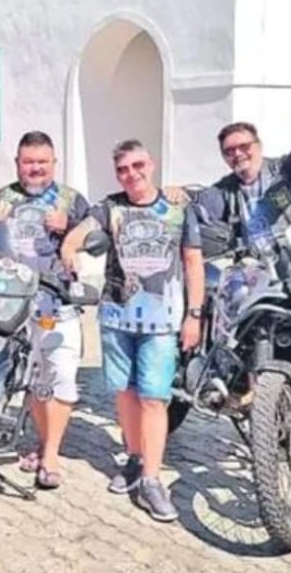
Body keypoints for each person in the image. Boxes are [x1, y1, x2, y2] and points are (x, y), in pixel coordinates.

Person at [193, 104, 291, 485]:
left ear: (257, 145)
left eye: (244, 146)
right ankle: (231, 384)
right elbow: (200, 211)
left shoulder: (282, 181)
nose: (238, 155)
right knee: (234, 330)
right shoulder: (224, 193)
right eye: (230, 151)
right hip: (258, 287)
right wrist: (173, 201)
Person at [62, 140, 203, 522]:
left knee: (154, 398)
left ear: (151, 164)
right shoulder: (109, 207)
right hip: (116, 317)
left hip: (162, 321)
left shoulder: (177, 208)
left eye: (138, 165)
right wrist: (70, 253)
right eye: (123, 169)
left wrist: (195, 314)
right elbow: (79, 233)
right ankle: (134, 457)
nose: (132, 174)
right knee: (124, 393)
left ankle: (152, 480)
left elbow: (193, 263)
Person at [0, 131, 91, 490]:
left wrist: (71, 229)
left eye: (42, 162)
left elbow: (95, 241)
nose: (35, 169)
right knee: (26, 380)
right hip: (11, 308)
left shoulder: (71, 200)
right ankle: (19, 443)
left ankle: (50, 455)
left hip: (58, 305)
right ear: (18, 163)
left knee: (60, 378)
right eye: (29, 162)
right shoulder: (2, 198)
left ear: (54, 163)